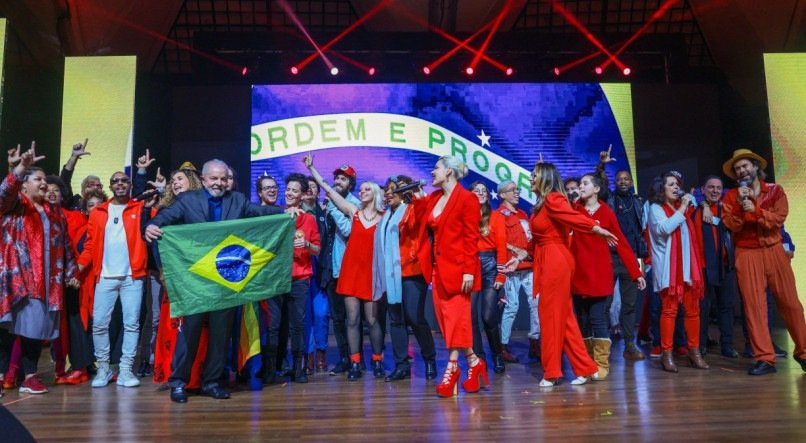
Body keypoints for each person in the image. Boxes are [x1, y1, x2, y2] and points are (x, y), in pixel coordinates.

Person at [144, 159, 284, 403]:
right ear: (205, 179)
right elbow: (165, 217)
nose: (219, 183)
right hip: (196, 280)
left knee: (221, 335)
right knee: (190, 332)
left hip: (225, 279)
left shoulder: (237, 200)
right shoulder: (188, 200)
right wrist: (151, 225)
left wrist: (284, 211)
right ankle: (179, 382)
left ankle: (211, 382)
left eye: (223, 179)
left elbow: (259, 212)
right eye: (214, 179)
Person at [527, 162, 617, 387]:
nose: (530, 180)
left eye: (534, 176)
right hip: (548, 258)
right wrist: (519, 257)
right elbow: (539, 238)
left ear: (544, 179)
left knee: (549, 315)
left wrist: (596, 228)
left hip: (556, 261)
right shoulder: (541, 203)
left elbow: (573, 218)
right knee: (564, 318)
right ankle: (584, 368)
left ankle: (551, 372)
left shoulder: (553, 199)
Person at [0, 143, 80, 395]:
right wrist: (21, 167)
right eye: (38, 179)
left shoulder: (53, 211)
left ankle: (29, 376)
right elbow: (4, 192)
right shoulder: (16, 206)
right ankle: (5, 374)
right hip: (20, 279)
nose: (44, 183)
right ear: (24, 185)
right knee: (9, 328)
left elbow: (64, 245)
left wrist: (71, 273)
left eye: (45, 179)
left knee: (35, 331)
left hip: (48, 282)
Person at [721, 148, 806, 375]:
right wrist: (741, 205)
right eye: (737, 168)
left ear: (756, 167)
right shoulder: (730, 196)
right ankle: (765, 359)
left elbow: (779, 218)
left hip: (774, 250)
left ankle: (804, 352)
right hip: (747, 254)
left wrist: (757, 211)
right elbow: (732, 224)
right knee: (754, 307)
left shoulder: (775, 191)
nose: (741, 170)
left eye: (745, 166)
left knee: (791, 304)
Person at [305, 154, 385, 381]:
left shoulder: (383, 217)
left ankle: (377, 360)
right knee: (351, 318)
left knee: (372, 320)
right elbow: (327, 190)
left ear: (375, 194)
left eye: (367, 190)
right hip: (350, 270)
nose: (362, 192)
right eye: (362, 191)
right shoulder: (354, 212)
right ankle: (355, 363)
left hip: (370, 272)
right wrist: (312, 168)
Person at [415, 156, 487, 397]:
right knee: (446, 321)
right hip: (439, 269)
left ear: (449, 172)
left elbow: (471, 237)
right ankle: (474, 362)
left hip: (459, 269)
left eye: (436, 167)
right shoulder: (434, 198)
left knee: (457, 320)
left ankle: (452, 368)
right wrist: (416, 201)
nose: (432, 171)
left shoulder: (467, 199)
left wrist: (468, 269)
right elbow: (420, 224)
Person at [78, 171, 149, 388]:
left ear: (129, 185)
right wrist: (77, 268)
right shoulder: (99, 212)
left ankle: (126, 370)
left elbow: (161, 217)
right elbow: (90, 245)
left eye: (124, 181)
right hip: (105, 276)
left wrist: (145, 176)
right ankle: (104, 369)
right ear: (110, 186)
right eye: (115, 181)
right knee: (99, 324)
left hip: (132, 276)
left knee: (131, 324)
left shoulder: (140, 208)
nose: (120, 184)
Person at [571, 173, 645, 380]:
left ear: (596, 189)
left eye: (585, 183)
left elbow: (621, 243)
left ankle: (601, 364)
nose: (580, 186)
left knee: (598, 318)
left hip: (600, 272)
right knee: (583, 320)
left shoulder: (606, 212)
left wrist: (635, 272)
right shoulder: (574, 210)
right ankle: (585, 365)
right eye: (579, 183)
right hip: (578, 273)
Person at [374, 176, 438, 381]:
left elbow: (421, 215)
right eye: (386, 189)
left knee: (414, 316)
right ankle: (402, 365)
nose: (388, 193)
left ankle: (429, 358)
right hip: (392, 274)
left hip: (412, 271)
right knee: (396, 319)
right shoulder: (385, 217)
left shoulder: (412, 210)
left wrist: (416, 197)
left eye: (394, 189)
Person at [646, 172, 708, 373]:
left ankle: (694, 352)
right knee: (669, 311)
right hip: (668, 270)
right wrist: (682, 208)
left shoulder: (684, 208)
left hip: (687, 267)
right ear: (661, 188)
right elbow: (664, 229)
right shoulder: (656, 208)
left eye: (677, 184)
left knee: (693, 310)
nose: (675, 187)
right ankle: (667, 354)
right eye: (671, 184)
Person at [263, 173, 320, 384]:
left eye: (294, 190)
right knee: (274, 326)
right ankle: (271, 369)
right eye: (287, 189)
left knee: (298, 325)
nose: (289, 193)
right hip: (276, 279)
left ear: (303, 195)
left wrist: (306, 245)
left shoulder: (310, 220)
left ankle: (298, 368)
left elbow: (317, 250)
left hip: (300, 279)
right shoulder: (275, 215)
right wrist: (283, 216)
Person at [597, 148, 648, 360]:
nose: (624, 182)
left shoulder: (637, 201)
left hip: (631, 257)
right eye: (619, 179)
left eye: (627, 179)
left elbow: (640, 228)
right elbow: (600, 186)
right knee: (606, 303)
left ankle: (629, 344)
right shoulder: (608, 197)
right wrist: (602, 166)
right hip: (610, 255)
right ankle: (603, 345)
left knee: (629, 304)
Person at [692, 176, 739, 358]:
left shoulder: (726, 209)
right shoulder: (694, 210)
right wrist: (702, 204)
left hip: (724, 266)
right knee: (703, 307)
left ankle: (727, 345)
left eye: (718, 188)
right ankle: (701, 345)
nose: (715, 191)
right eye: (710, 187)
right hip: (703, 267)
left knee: (726, 306)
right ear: (702, 190)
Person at [497, 180, 540, 363]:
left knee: (536, 303)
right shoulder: (498, 215)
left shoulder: (523, 214)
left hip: (528, 266)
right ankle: (503, 346)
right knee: (512, 306)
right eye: (512, 190)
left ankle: (534, 341)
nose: (517, 193)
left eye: (518, 189)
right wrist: (516, 250)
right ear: (502, 195)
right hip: (511, 268)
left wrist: (527, 254)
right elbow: (497, 239)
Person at [302, 177, 331, 373]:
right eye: (307, 187)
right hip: (301, 268)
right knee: (305, 316)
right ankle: (308, 354)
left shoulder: (325, 214)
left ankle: (321, 352)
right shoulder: (294, 213)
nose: (311, 189)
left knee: (321, 314)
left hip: (321, 269)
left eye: (314, 187)